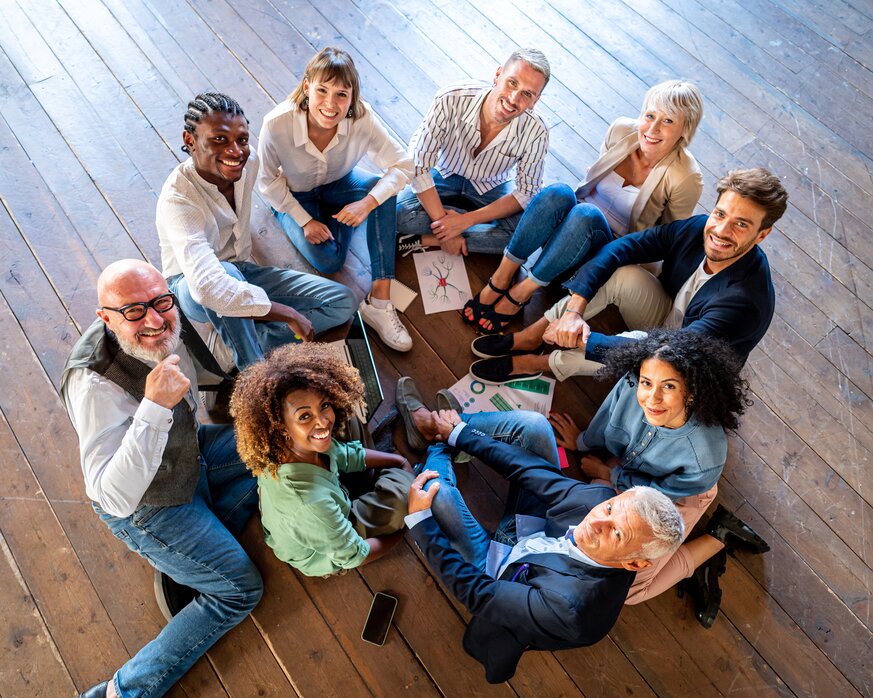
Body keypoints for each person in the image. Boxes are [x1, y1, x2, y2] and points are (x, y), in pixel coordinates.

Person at [62, 260, 262, 698]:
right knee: (240, 591)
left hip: (188, 449)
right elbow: (112, 496)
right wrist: (153, 407)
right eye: (133, 311)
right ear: (106, 318)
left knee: (278, 444)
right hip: (147, 505)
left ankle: (187, 564)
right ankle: (121, 692)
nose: (153, 319)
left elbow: (210, 373)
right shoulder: (94, 385)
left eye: (159, 302)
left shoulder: (169, 316)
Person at [404, 410, 684, 684]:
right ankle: (447, 427)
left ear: (634, 563)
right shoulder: (600, 500)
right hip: (530, 532)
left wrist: (419, 521)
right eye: (610, 509)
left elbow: (477, 592)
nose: (597, 521)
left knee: (437, 497)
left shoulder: (569, 607)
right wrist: (461, 435)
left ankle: (435, 446)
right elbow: (530, 471)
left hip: (499, 576)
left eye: (618, 534)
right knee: (536, 427)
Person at [469, 167, 789, 384]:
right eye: (721, 213)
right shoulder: (697, 228)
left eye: (742, 224)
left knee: (632, 344)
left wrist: (582, 336)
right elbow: (619, 249)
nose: (721, 230)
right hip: (667, 314)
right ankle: (534, 334)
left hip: (687, 367)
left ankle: (536, 365)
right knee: (622, 271)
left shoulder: (744, 302)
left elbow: (664, 352)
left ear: (762, 235)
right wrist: (574, 312)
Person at [549, 330, 769, 626]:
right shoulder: (630, 385)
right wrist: (582, 442)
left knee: (631, 589)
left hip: (676, 495)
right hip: (631, 466)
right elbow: (607, 417)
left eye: (668, 386)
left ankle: (718, 538)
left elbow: (659, 497)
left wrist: (609, 473)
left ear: (690, 392)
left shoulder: (705, 456)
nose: (651, 398)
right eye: (646, 382)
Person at [467, 80, 704, 333]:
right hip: (571, 233)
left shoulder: (685, 177)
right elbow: (590, 181)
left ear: (685, 130)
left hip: (605, 254)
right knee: (558, 192)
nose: (653, 128)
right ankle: (503, 276)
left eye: (668, 121)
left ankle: (522, 291)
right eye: (650, 115)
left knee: (587, 214)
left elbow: (668, 240)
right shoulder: (621, 130)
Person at [158, 92, 357, 371]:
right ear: (190, 141)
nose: (236, 152)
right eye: (219, 140)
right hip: (191, 286)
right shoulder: (178, 200)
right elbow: (208, 286)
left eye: (242, 140)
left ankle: (239, 344)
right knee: (224, 276)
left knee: (343, 302)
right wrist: (286, 313)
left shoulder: (247, 165)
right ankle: (256, 373)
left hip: (240, 269)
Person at [258, 48, 415, 351]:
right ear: (307, 87)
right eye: (322, 91)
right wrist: (304, 220)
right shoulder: (276, 124)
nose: (331, 105)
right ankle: (325, 219)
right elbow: (266, 182)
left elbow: (403, 166)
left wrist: (367, 203)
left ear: (353, 95)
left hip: (341, 183)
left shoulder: (363, 118)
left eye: (341, 95)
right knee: (330, 259)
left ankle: (379, 301)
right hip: (294, 195)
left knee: (382, 194)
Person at [230, 342, 415, 576]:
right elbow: (356, 555)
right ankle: (387, 487)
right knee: (408, 495)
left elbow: (342, 454)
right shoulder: (309, 505)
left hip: (329, 500)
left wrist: (397, 462)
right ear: (280, 427)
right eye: (304, 416)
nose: (322, 421)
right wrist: (407, 527)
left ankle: (379, 482)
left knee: (347, 422)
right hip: (327, 539)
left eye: (324, 405)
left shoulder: (293, 445)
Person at [396, 48, 550, 257]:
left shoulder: (537, 131)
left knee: (524, 234)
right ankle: (456, 231)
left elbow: (527, 191)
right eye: (512, 82)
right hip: (445, 173)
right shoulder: (450, 98)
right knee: (399, 212)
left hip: (492, 187)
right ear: (497, 75)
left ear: (535, 101)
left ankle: (431, 236)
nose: (514, 99)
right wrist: (449, 230)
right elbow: (419, 164)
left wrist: (465, 221)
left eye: (527, 94)